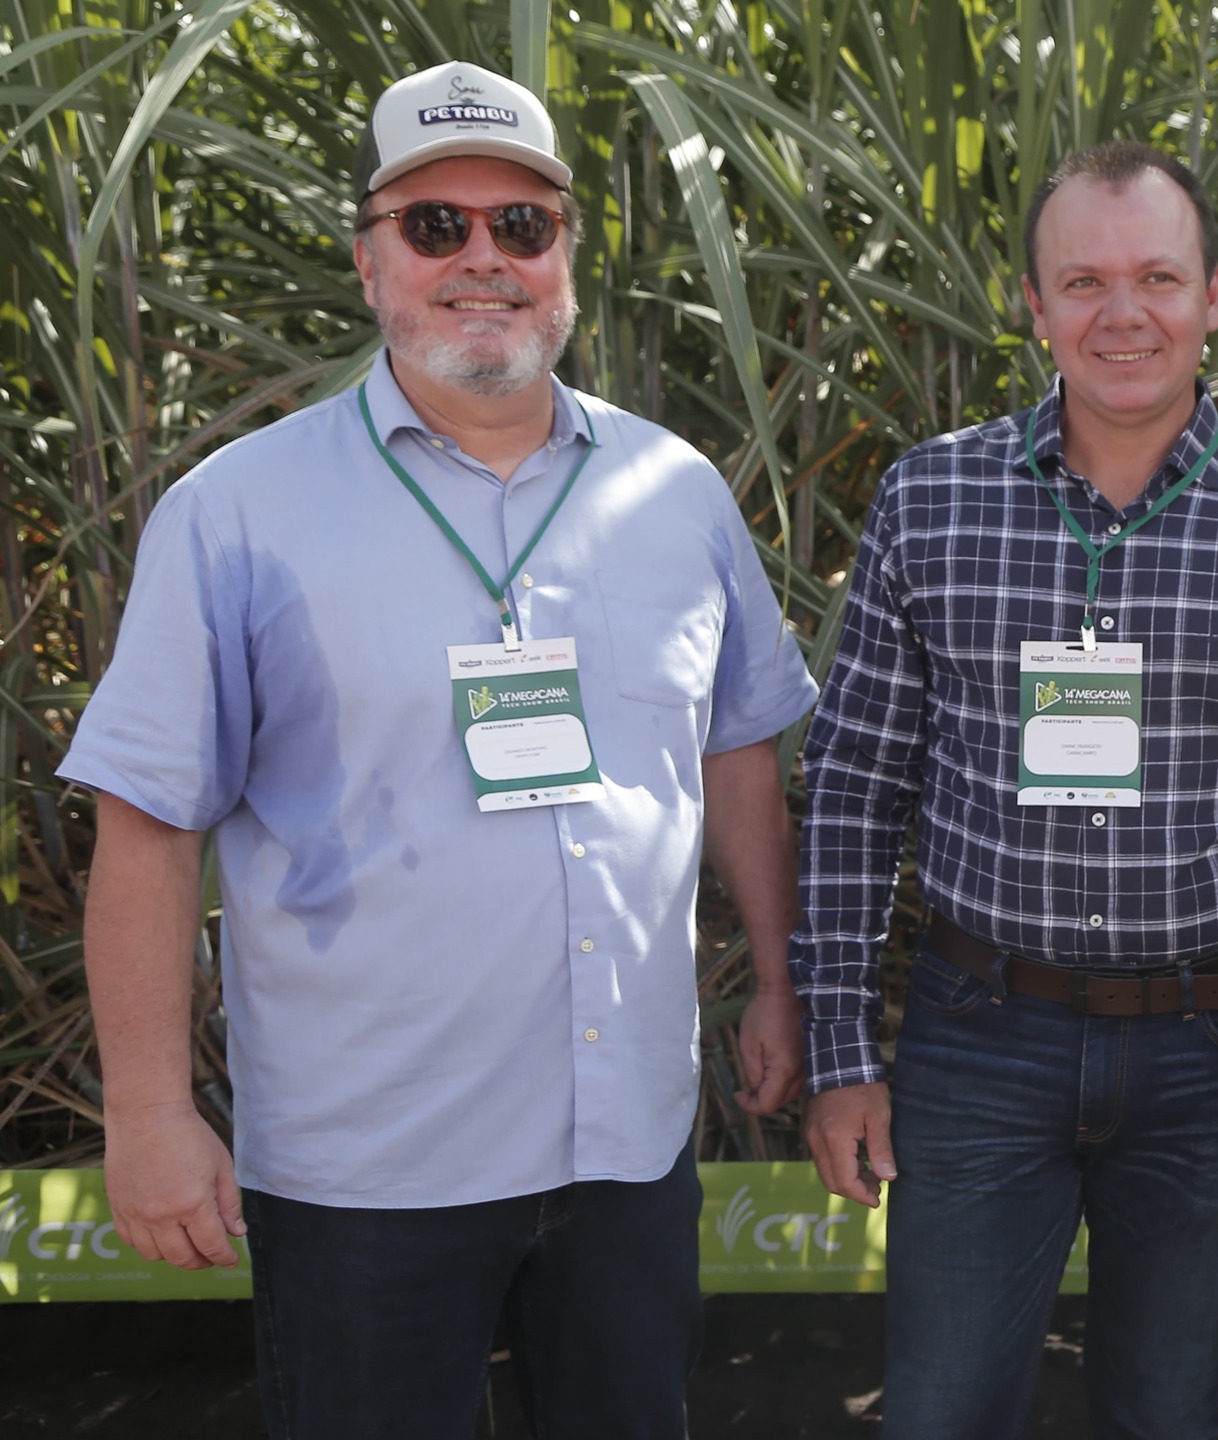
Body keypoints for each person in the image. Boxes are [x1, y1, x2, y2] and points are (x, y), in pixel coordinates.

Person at [62, 60, 817, 1439]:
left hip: (626, 1145)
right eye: (436, 226)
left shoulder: (676, 491)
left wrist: (780, 981)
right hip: (370, 1171)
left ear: (568, 259)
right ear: (369, 264)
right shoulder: (235, 514)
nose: (484, 259)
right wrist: (151, 1112)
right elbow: (149, 822)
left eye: (521, 227)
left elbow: (741, 753)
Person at [789, 142, 1218, 1439]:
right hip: (982, 1036)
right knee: (941, 1413)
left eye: (1157, 278)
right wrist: (843, 1054)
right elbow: (855, 787)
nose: (1121, 313)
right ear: (1031, 303)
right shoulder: (933, 500)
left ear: (1214, 296)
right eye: (1082, 280)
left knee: (1163, 1410)